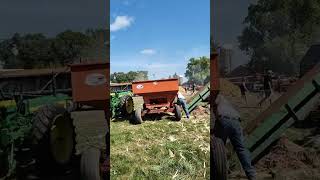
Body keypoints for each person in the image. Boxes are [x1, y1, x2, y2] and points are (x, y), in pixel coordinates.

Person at [213, 94, 256, 180]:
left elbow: (216, 112)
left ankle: (220, 173)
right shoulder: (226, 101)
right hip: (236, 122)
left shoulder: (215, 96)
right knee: (241, 148)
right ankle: (251, 175)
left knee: (218, 148)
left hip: (223, 119)